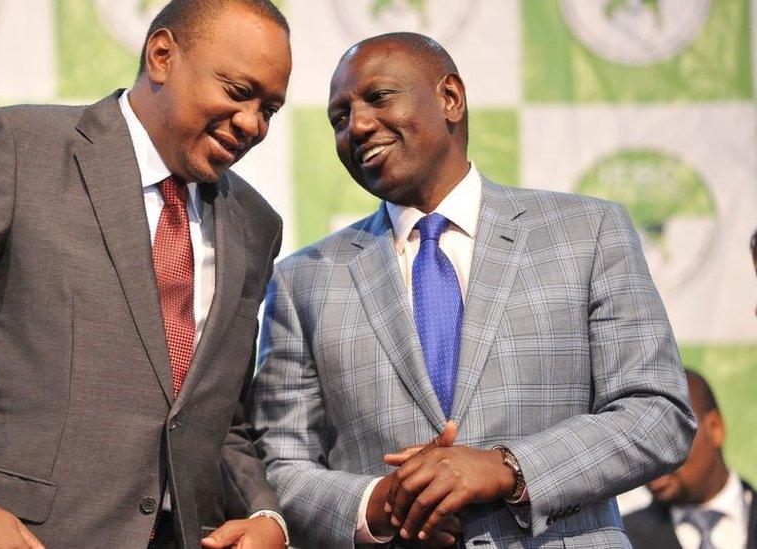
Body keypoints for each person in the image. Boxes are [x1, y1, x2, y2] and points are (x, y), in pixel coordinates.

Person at [0, 1, 292, 547]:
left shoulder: (254, 223)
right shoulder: (16, 149)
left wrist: (265, 515)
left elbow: (219, 415)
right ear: (161, 55)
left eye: (270, 109)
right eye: (236, 91)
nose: (253, 123)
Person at [247, 32, 696, 548]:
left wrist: (508, 468)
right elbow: (278, 461)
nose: (359, 125)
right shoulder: (305, 277)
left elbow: (658, 414)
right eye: (339, 117)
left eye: (378, 97)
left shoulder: (588, 232)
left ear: (450, 98)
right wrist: (377, 503)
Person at [624, 370, 756, 549]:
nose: (651, 463)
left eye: (666, 442)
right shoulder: (623, 539)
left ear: (715, 428)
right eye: (640, 449)